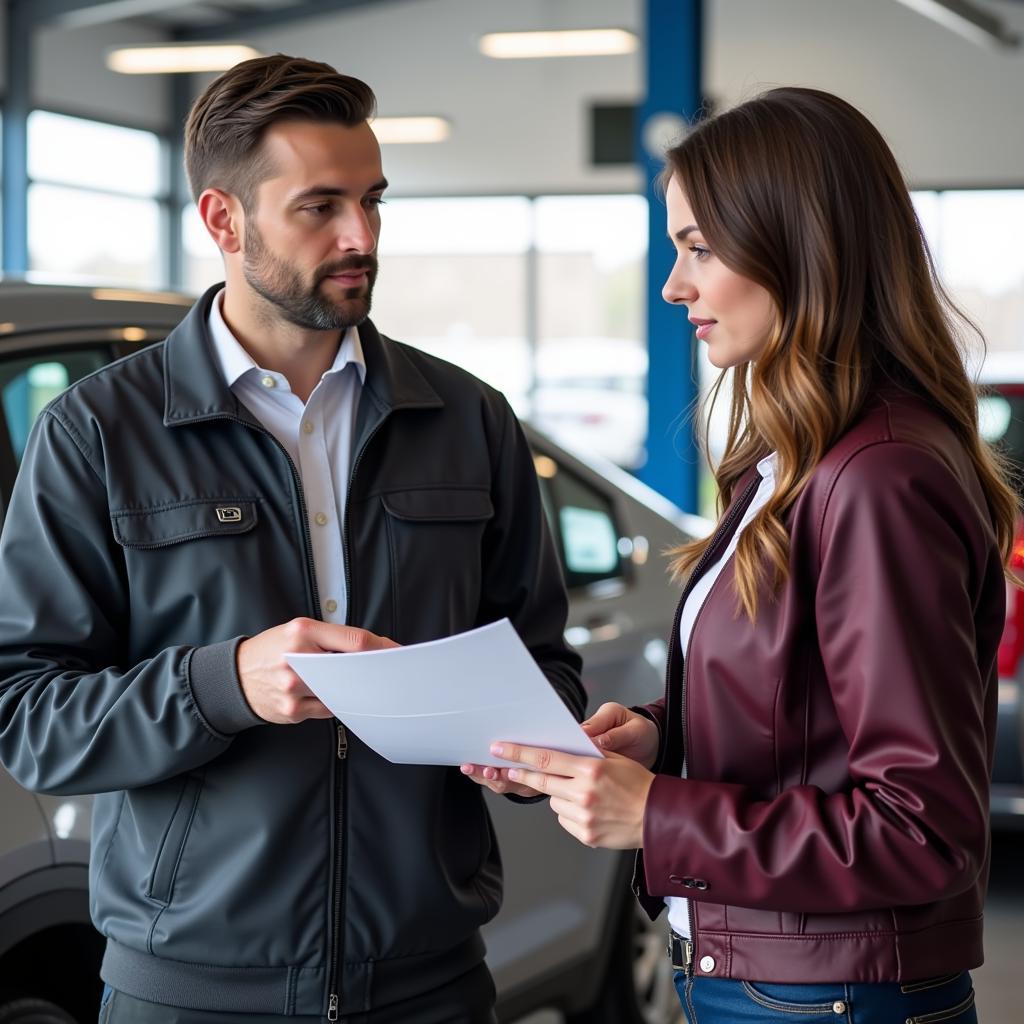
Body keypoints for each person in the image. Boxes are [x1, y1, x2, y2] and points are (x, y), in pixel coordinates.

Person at [0, 54, 583, 1024]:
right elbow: (27, 715)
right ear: (224, 220)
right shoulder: (100, 433)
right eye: (320, 207)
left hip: (429, 984)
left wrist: (523, 748)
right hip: (190, 993)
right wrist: (227, 682)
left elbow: (545, 668)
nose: (361, 236)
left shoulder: (470, 421)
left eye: (373, 201)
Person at [483, 87, 1015, 1022]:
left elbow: (922, 830)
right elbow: (808, 718)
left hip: (832, 996)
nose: (672, 285)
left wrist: (658, 813)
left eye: (698, 247)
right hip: (771, 978)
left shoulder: (880, 477)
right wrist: (662, 737)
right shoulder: (793, 459)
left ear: (796, 246)